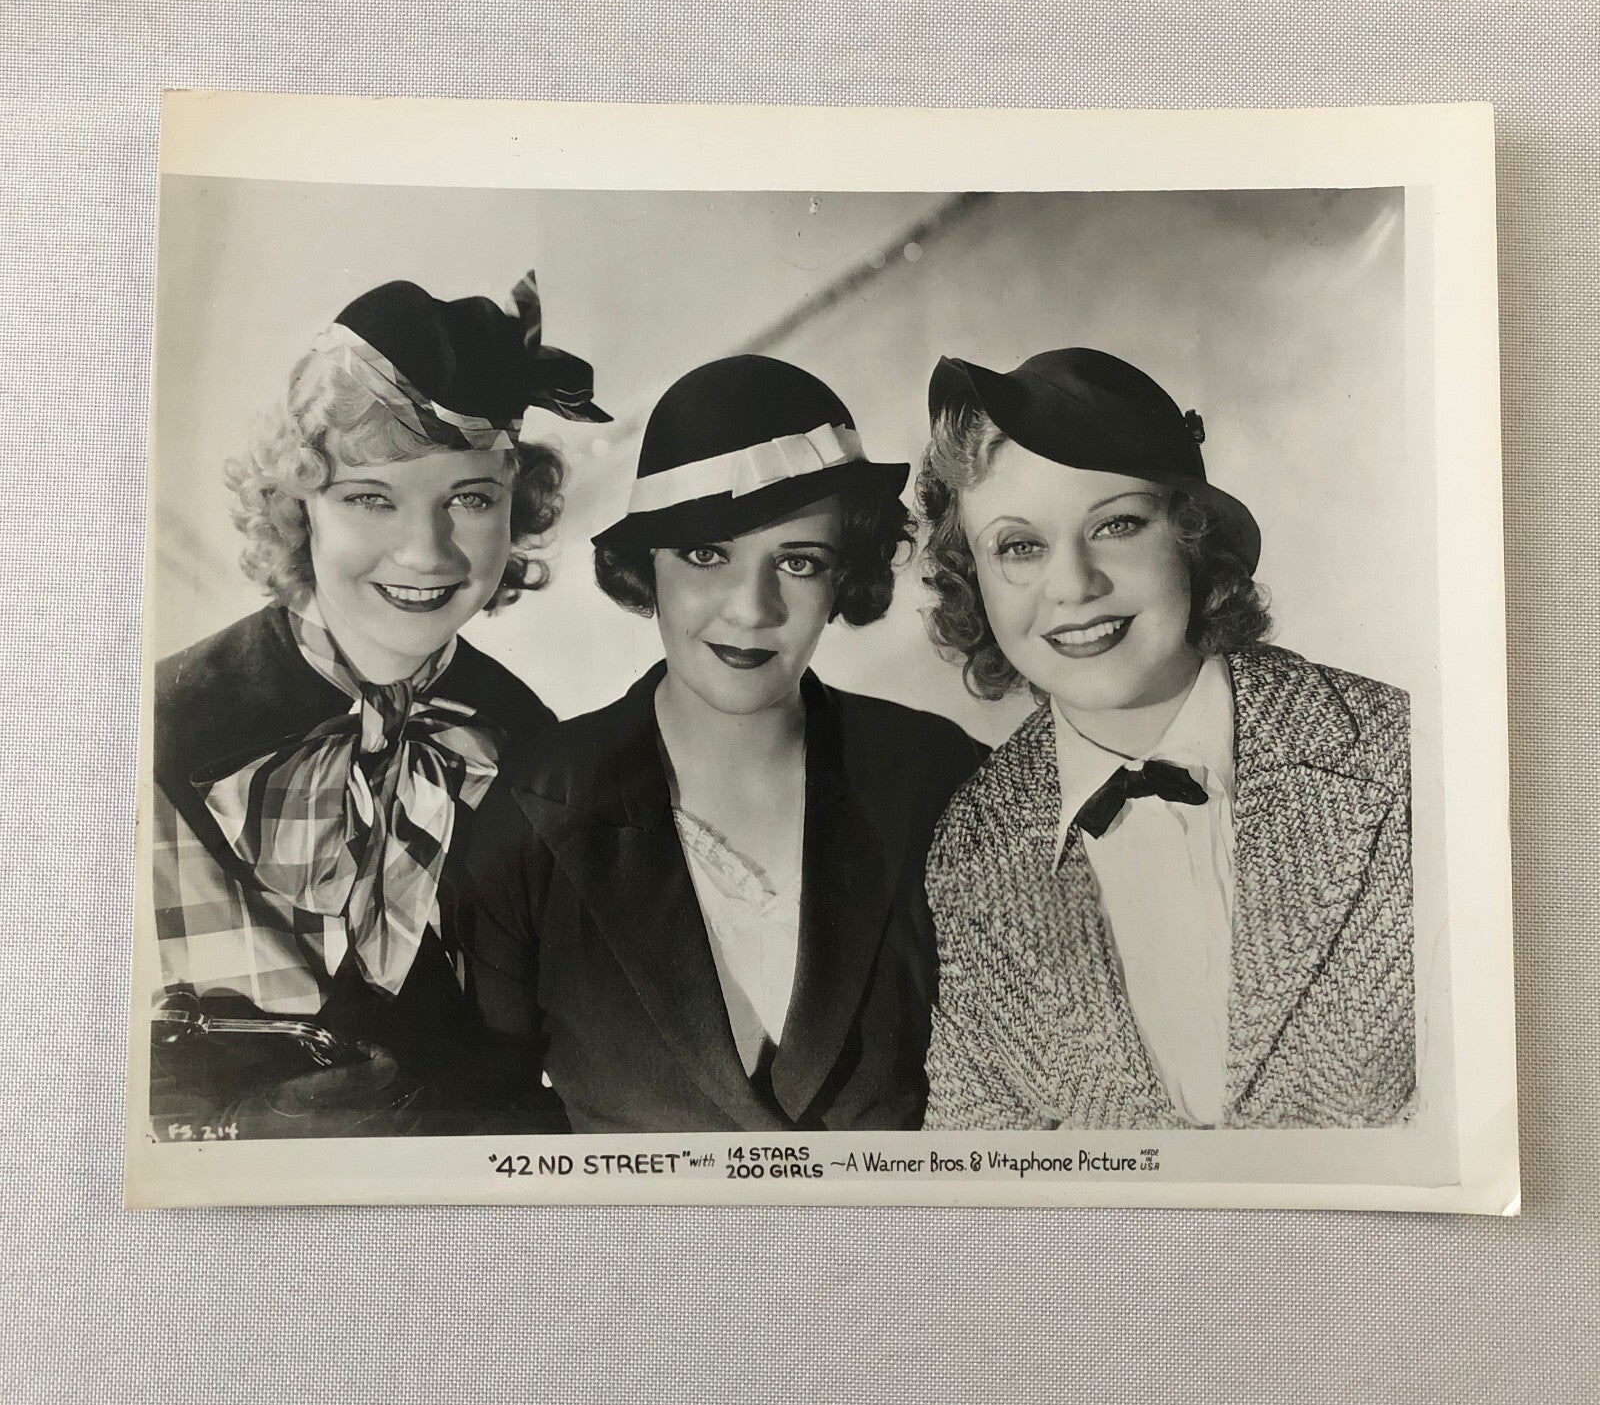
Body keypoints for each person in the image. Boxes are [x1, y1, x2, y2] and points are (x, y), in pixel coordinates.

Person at [461, 355, 987, 1131]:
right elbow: (486, 1130)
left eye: (799, 563)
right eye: (708, 555)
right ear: (649, 567)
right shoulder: (533, 805)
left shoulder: (938, 781)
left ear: (844, 579)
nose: (752, 610)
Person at [151, 271, 610, 1138]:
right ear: (299, 508)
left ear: (518, 508)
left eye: (469, 499)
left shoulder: (531, 744)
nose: (425, 549)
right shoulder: (161, 730)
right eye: (371, 497)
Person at [915, 348, 1413, 1130]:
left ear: (1189, 531)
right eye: (1019, 547)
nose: (1074, 586)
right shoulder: (968, 856)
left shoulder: (1399, 757)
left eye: (1116, 525)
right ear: (969, 574)